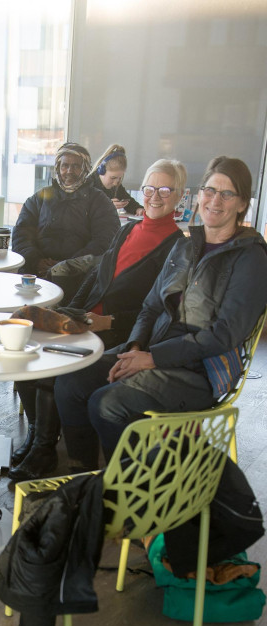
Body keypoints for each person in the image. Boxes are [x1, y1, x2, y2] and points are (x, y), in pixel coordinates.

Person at [54, 156, 267, 471]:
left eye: (227, 194)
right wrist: (136, 347)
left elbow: (224, 334)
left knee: (106, 403)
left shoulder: (250, 259)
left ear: (242, 204)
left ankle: (128, 493)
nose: (215, 200)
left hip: (199, 372)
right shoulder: (185, 247)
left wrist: (153, 358)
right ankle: (84, 478)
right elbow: (151, 305)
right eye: (210, 190)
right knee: (72, 380)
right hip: (153, 350)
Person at [10, 159, 187, 481]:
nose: (155, 196)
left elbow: (161, 312)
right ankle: (37, 435)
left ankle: (46, 450)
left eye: (165, 189)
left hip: (120, 332)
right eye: (149, 188)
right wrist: (72, 311)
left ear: (180, 196)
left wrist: (109, 323)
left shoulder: (179, 247)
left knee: (53, 365)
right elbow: (96, 277)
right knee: (25, 346)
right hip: (89, 322)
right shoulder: (128, 229)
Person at [11, 142, 120, 298]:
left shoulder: (100, 201)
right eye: (65, 166)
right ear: (57, 168)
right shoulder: (40, 197)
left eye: (76, 166)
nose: (69, 171)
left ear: (86, 169)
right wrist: (36, 260)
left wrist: (66, 266)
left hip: (80, 279)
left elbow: (105, 242)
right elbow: (21, 233)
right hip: (37, 274)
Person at [88, 144, 144, 215]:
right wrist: (106, 206)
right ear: (101, 171)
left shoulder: (116, 186)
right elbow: (84, 210)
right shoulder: (87, 185)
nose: (115, 183)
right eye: (113, 178)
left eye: (119, 178)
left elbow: (129, 202)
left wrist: (138, 209)